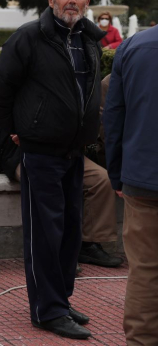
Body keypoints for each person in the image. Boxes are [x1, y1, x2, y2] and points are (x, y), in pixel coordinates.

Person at [0, 0, 103, 340]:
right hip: (40, 154)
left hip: (74, 152)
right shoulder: (29, 37)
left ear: (87, 1)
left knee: (70, 233)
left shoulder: (87, 38)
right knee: (45, 236)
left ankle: (60, 300)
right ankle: (46, 311)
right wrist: (16, 130)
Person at [0, 75, 123, 270]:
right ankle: (55, 253)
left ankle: (89, 244)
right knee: (49, 181)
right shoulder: (21, 90)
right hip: (25, 154)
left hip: (66, 152)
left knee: (101, 179)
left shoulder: (70, 91)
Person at [104, 25, 158, 345]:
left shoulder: (134, 45)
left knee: (146, 270)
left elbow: (113, 116)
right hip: (141, 177)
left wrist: (117, 174)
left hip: (142, 177)